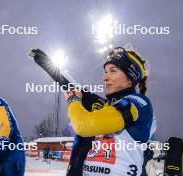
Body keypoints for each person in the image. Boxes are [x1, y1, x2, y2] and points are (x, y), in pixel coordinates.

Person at [65, 47, 156, 176]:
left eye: (112, 71)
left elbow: (83, 125)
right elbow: (70, 84)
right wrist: (42, 59)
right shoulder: (104, 106)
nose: (105, 77)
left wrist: (73, 100)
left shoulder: (139, 103)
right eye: (105, 71)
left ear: (130, 79)